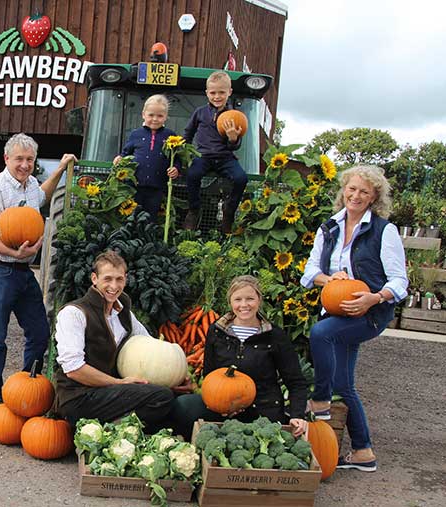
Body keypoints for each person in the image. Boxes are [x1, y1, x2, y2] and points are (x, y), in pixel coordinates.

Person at [300, 165, 408, 473]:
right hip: (337, 308)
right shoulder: (329, 228)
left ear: (374, 197)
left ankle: (320, 400)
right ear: (343, 190)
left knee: (321, 333)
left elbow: (400, 281)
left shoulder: (383, 230)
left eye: (364, 191)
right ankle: (363, 451)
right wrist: (329, 279)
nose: (356, 195)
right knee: (345, 384)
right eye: (351, 189)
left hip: (370, 313)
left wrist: (374, 297)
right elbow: (309, 273)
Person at [0, 133, 77, 410]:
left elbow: (42, 196)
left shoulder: (30, 184)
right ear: (6, 158)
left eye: (30, 159)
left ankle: (25, 387)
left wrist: (59, 168)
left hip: (21, 270)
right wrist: (14, 253)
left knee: (39, 331)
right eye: (19, 158)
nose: (25, 164)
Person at [54, 250, 189, 428]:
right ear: (94, 279)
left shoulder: (123, 313)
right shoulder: (74, 313)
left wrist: (178, 377)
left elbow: (149, 346)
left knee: (173, 405)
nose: (114, 286)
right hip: (78, 397)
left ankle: (110, 430)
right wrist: (119, 382)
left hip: (108, 392)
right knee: (161, 398)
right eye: (107, 279)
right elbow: (74, 369)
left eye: (119, 279)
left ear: (126, 279)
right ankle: (105, 431)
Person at [171, 275, 310, 440]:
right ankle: (192, 448)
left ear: (259, 300)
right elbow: (209, 374)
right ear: (230, 302)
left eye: (250, 298)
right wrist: (219, 402)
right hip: (223, 407)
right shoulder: (216, 331)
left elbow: (296, 382)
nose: (244, 305)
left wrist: (297, 415)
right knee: (184, 405)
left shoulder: (274, 335)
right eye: (238, 299)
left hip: (262, 408)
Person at [182, 70, 248, 234]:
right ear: (207, 93)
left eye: (221, 92)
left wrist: (233, 139)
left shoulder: (234, 116)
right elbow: (188, 133)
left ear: (229, 92)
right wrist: (183, 149)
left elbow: (235, 146)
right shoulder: (200, 112)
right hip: (203, 156)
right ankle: (194, 209)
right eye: (213, 93)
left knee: (241, 178)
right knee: (192, 174)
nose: (217, 96)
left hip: (225, 158)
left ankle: (229, 211)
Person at [112, 94, 180, 221]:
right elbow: (126, 153)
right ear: (144, 114)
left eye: (160, 116)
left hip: (157, 186)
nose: (155, 119)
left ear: (166, 117)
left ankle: (147, 239)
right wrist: (119, 158)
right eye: (151, 115)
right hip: (134, 186)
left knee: (150, 218)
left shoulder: (170, 136)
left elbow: (176, 158)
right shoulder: (135, 134)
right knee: (131, 217)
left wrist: (176, 168)